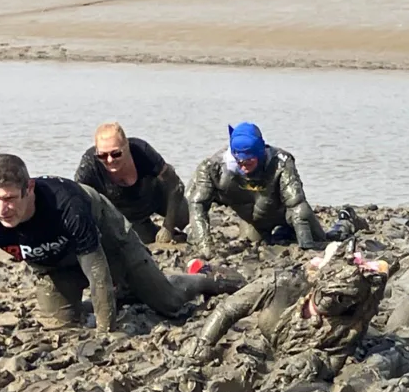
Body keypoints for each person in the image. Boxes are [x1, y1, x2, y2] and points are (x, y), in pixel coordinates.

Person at [0, 154, 242, 347]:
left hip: (109, 243)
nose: (1, 209)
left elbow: (97, 271)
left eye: (8, 198)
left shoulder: (66, 205)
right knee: (59, 324)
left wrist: (105, 333)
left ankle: (204, 277)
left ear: (29, 189)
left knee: (170, 303)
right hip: (55, 262)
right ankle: (127, 294)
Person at [186, 240, 390, 378]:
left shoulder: (354, 319)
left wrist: (316, 363)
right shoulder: (282, 285)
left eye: (344, 299)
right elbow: (228, 310)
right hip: (269, 343)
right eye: (330, 295)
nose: (334, 302)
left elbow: (336, 360)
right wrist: (205, 342)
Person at [186, 122, 349, 251]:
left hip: (285, 214)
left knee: (324, 239)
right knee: (256, 241)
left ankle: (346, 220)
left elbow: (296, 204)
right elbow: (197, 204)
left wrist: (307, 245)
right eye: (239, 160)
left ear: (259, 153)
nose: (243, 165)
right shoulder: (213, 168)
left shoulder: (281, 162)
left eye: (249, 160)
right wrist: (204, 246)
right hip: (253, 220)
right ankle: (280, 235)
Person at [74, 122, 189, 244]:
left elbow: (176, 185)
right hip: (127, 214)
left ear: (126, 146)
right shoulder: (89, 164)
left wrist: (168, 226)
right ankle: (153, 229)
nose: (110, 160)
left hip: (155, 198)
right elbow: (76, 201)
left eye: (116, 154)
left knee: (185, 217)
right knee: (141, 242)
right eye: (102, 155)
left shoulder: (143, 151)